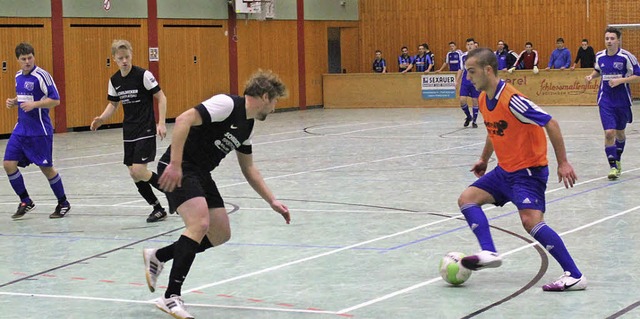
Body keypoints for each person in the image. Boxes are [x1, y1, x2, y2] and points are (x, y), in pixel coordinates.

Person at [142, 70, 291, 319]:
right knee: (199, 224)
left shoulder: (248, 126)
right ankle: (170, 296)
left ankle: (159, 255)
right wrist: (175, 164)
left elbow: (249, 168)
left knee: (221, 233)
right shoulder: (226, 104)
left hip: (201, 173)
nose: (275, 108)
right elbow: (183, 120)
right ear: (265, 96)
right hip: (180, 167)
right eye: (275, 101)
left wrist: (272, 200)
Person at [458, 47, 586, 292]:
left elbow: (551, 123)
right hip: (505, 171)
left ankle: (575, 275)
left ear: (487, 70)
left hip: (528, 172)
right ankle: (488, 251)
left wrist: (563, 162)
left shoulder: (514, 100)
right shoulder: (484, 98)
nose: (469, 78)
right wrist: (484, 159)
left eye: (472, 72)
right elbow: (493, 130)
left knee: (530, 222)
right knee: (467, 199)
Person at [90, 39, 168, 223]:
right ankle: (157, 208)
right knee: (133, 173)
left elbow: (161, 97)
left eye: (127, 57)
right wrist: (102, 119)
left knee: (140, 170)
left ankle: (177, 194)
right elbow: (113, 104)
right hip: (129, 130)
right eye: (120, 58)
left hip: (146, 127)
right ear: (114, 59)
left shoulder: (143, 75)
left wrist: (162, 122)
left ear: (131, 55)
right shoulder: (114, 80)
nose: (124, 61)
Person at [3, 43, 71, 219]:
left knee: (46, 169)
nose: (27, 61)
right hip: (21, 129)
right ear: (17, 60)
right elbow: (24, 96)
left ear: (34, 57)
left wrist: (35, 104)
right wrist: (14, 101)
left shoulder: (42, 76)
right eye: (23, 59)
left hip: (39, 130)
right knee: (8, 164)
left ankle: (63, 202)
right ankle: (26, 201)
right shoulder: (18, 76)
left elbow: (55, 100)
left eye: (30, 58)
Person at [585, 27, 640, 180]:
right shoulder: (600, 56)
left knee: (620, 133)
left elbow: (638, 75)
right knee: (610, 133)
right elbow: (598, 71)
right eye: (607, 38)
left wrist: (621, 80)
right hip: (605, 100)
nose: (609, 41)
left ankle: (618, 159)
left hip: (622, 100)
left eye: (612, 38)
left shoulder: (626, 57)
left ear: (618, 40)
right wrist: (591, 76)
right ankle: (613, 167)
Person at [456, 38, 480, 128]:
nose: (470, 46)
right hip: (465, 81)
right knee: (462, 100)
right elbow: (460, 69)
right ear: (466, 46)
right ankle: (468, 116)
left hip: (475, 81)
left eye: (471, 44)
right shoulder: (463, 56)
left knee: (475, 101)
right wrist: (457, 81)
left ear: (475, 45)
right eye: (468, 44)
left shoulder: (479, 56)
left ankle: (474, 121)